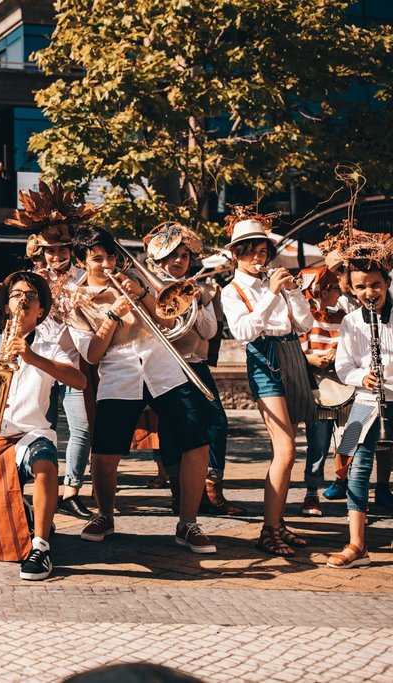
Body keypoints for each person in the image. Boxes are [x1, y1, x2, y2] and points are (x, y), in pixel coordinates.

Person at [68, 225, 216, 554]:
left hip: (162, 366)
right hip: (119, 374)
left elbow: (167, 320)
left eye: (110, 257)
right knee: (105, 455)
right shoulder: (74, 301)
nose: (107, 265)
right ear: (81, 262)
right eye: (96, 259)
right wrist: (112, 315)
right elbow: (92, 354)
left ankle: (188, 523)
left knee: (198, 443)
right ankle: (105, 515)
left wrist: (143, 295)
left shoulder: (137, 276)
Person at [0, 270, 86, 580]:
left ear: (41, 311)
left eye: (31, 297)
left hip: (34, 434)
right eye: (16, 295)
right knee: (4, 550)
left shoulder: (49, 348)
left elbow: (80, 380)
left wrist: (32, 357)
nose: (23, 300)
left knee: (45, 462)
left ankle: (42, 547)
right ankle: (31, 515)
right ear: (7, 305)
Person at [220, 208, 314, 556]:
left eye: (262, 252)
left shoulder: (276, 283)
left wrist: (293, 292)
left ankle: (279, 523)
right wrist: (272, 294)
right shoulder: (231, 291)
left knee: (291, 452)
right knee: (285, 449)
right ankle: (268, 529)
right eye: (251, 252)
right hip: (265, 360)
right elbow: (244, 332)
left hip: (292, 356)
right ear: (237, 254)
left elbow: (303, 325)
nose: (259, 258)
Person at [5, 180, 97, 520]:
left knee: (83, 427)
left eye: (61, 250)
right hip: (35, 364)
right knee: (40, 427)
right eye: (50, 251)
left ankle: (71, 490)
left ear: (71, 250)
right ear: (40, 252)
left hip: (71, 362)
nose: (56, 257)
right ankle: (39, 486)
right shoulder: (29, 281)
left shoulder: (83, 278)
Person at [144, 222, 244, 516]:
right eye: (173, 255)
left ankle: (212, 490)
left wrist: (195, 301)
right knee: (172, 430)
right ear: (159, 258)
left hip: (196, 365)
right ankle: (181, 493)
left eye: (185, 256)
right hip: (164, 366)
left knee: (217, 424)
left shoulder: (202, 289)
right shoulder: (149, 287)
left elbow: (209, 331)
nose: (179, 261)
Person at [325, 232, 393, 569]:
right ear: (351, 289)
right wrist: (360, 377)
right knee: (353, 463)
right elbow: (343, 366)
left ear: (387, 282)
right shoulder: (351, 322)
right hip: (365, 401)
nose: (370, 293)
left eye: (376, 285)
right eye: (362, 287)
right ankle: (356, 544)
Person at [298, 266, 346, 516]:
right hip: (317, 388)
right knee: (318, 442)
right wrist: (311, 359)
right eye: (336, 287)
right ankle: (311, 493)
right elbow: (297, 349)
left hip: (344, 386)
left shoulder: (343, 315)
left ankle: (350, 488)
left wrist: (339, 354)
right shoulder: (304, 315)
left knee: (350, 440)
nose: (340, 291)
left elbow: (350, 344)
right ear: (325, 290)